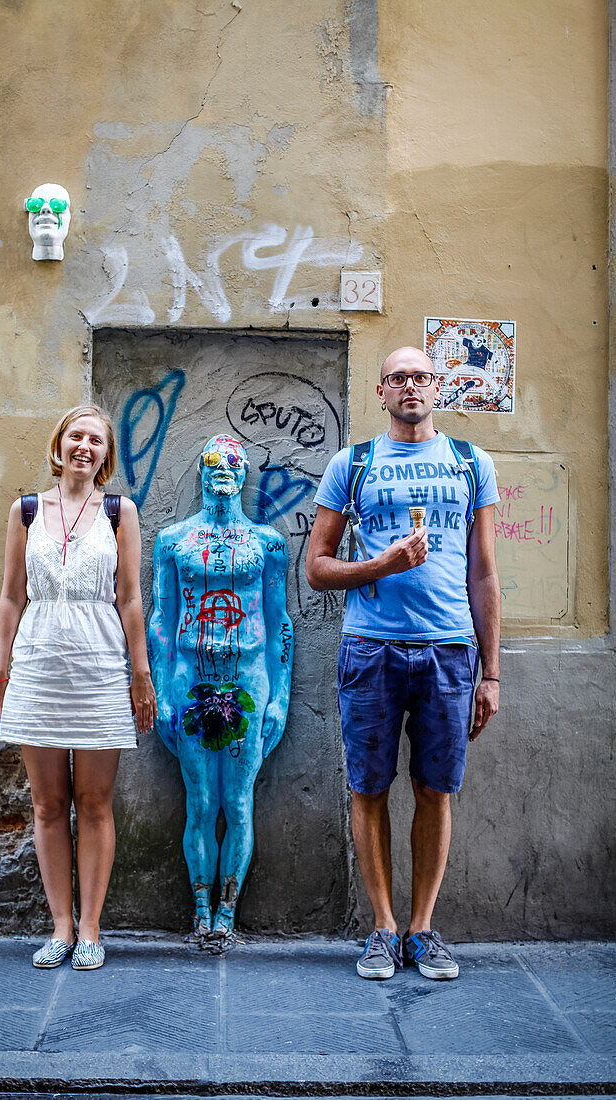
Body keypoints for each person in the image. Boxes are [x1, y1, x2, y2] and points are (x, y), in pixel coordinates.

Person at [306, 347, 500, 981]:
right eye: (398, 378)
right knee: (368, 788)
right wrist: (381, 565)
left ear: (436, 387)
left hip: (448, 650)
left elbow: (485, 575)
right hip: (371, 650)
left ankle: (423, 930)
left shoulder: (472, 463)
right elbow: (316, 567)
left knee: (435, 791)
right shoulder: (352, 464)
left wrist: (490, 673)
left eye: (421, 376)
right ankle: (383, 929)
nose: (410, 386)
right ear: (381, 391)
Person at [0, 405, 157, 970]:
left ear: (106, 454)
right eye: (76, 437)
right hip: (38, 664)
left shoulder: (119, 511)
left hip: (101, 664)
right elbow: (11, 596)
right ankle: (59, 926)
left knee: (95, 801)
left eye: (96, 441)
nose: (84, 447)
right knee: (48, 802)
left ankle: (91, 928)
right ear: (60, 444)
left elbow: (130, 598)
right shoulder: (27, 510)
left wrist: (141, 672)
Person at [149, 434, 293, 947]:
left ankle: (228, 913)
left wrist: (279, 695)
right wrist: (163, 690)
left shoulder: (267, 543)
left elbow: (280, 622)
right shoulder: (173, 540)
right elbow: (161, 620)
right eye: (212, 461)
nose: (223, 469)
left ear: (245, 469)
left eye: (233, 461)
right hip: (190, 677)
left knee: (238, 800)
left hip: (248, 677)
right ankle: (201, 910)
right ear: (201, 471)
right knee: (201, 799)